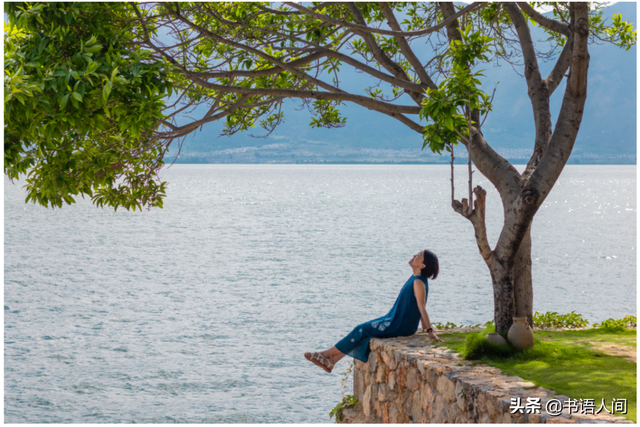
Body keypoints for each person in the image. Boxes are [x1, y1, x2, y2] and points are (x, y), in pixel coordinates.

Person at [304, 250, 443, 373]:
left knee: (360, 329)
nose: (414, 255)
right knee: (365, 335)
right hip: (394, 320)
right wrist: (424, 326)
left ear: (422, 265)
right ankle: (332, 361)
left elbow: (421, 305)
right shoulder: (415, 278)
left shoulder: (418, 281)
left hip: (399, 324)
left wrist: (430, 330)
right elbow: (418, 305)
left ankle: (325, 354)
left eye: (419, 256)